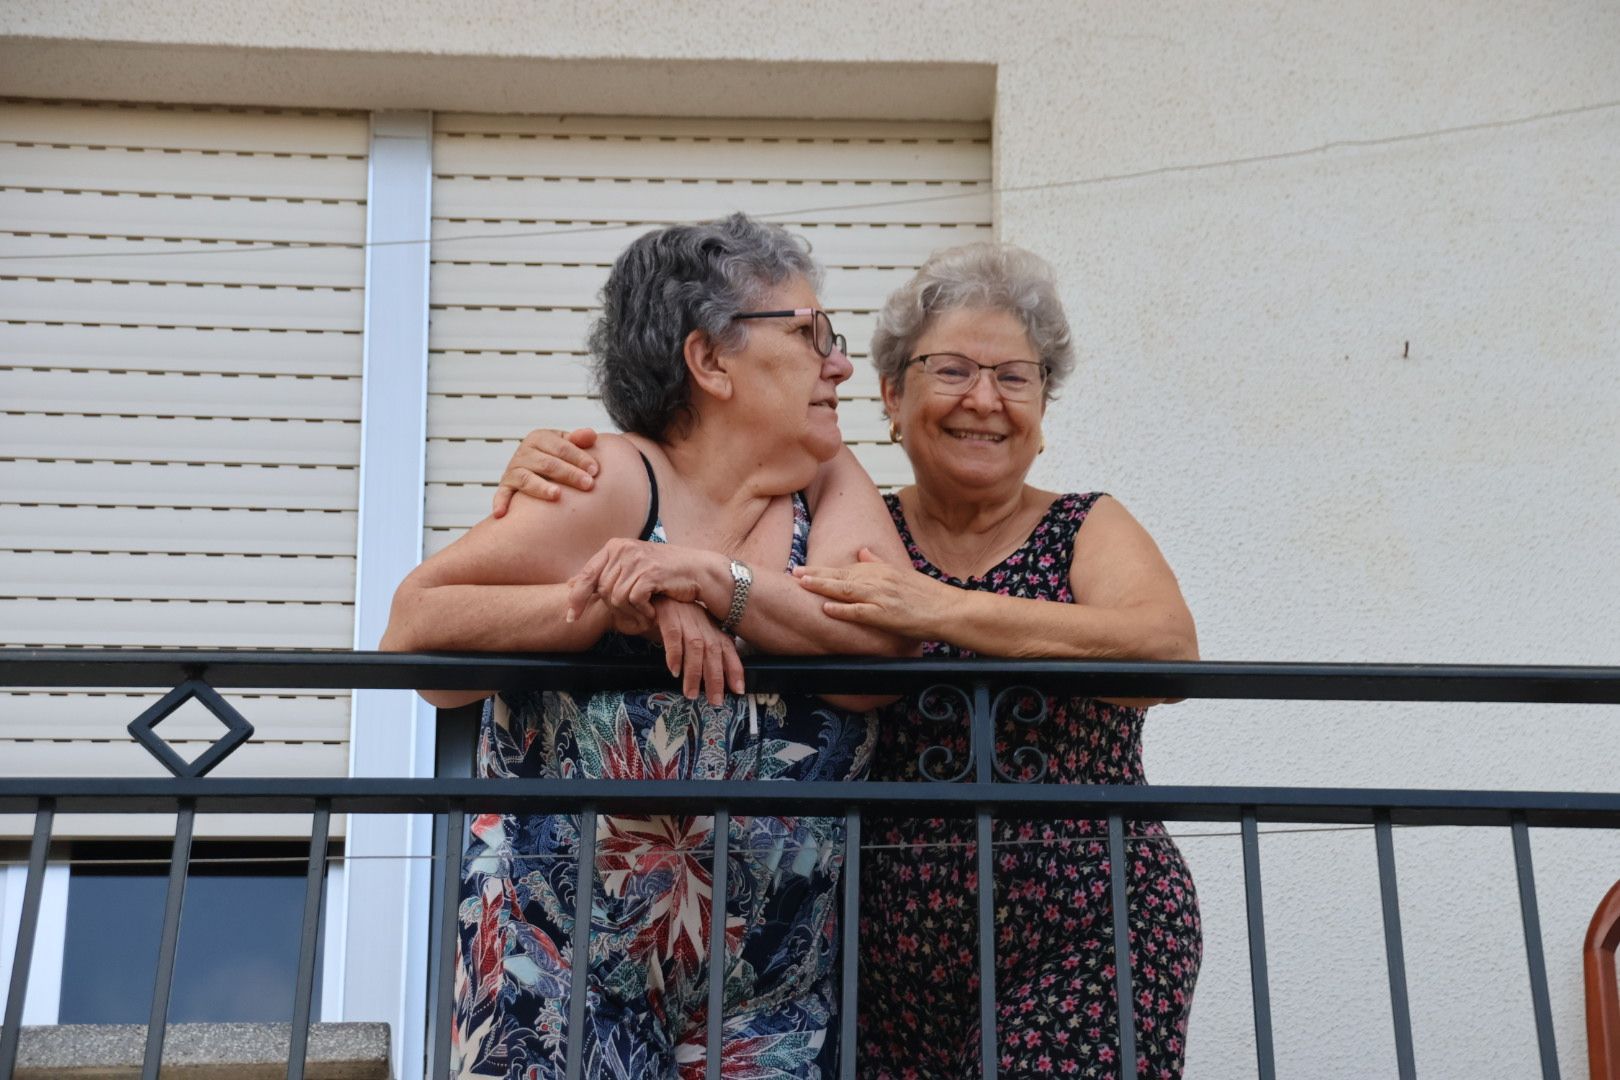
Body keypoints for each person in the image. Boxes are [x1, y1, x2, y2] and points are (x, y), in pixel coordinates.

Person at [493, 241, 1202, 1078]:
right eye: (952, 371)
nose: (986, 399)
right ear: (892, 398)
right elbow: (708, 536)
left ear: (1044, 409)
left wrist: (941, 609)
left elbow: (1166, 650)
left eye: (1017, 377)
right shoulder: (846, 515)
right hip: (865, 970)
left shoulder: (1084, 525)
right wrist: (553, 470)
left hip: (1087, 933)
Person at [381, 213, 914, 1079]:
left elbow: (883, 653)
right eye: (813, 334)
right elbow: (416, 628)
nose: (841, 363)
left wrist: (709, 582)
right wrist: (599, 603)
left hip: (771, 991)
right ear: (709, 362)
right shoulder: (615, 477)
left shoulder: (828, 475)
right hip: (557, 975)